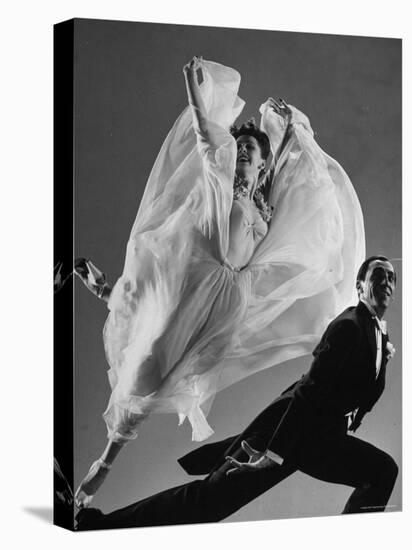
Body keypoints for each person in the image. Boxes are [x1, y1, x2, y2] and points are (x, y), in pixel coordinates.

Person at [74, 57, 365, 507]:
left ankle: (113, 300)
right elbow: (207, 137)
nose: (243, 153)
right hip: (200, 279)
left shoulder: (267, 208)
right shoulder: (219, 183)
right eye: (241, 148)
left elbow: (293, 175)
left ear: (262, 167)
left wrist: (289, 129)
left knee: (165, 358)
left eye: (251, 151)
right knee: (148, 360)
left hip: (231, 300)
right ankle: (107, 460)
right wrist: (195, 90)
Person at [74, 255, 398, 530]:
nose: (386, 282)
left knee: (381, 471)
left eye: (391, 278)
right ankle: (96, 526)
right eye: (378, 276)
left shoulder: (376, 338)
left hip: (321, 440)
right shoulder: (349, 326)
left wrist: (376, 365)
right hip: (283, 434)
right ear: (360, 287)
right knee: (208, 503)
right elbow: (308, 394)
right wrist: (270, 454)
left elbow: (360, 392)